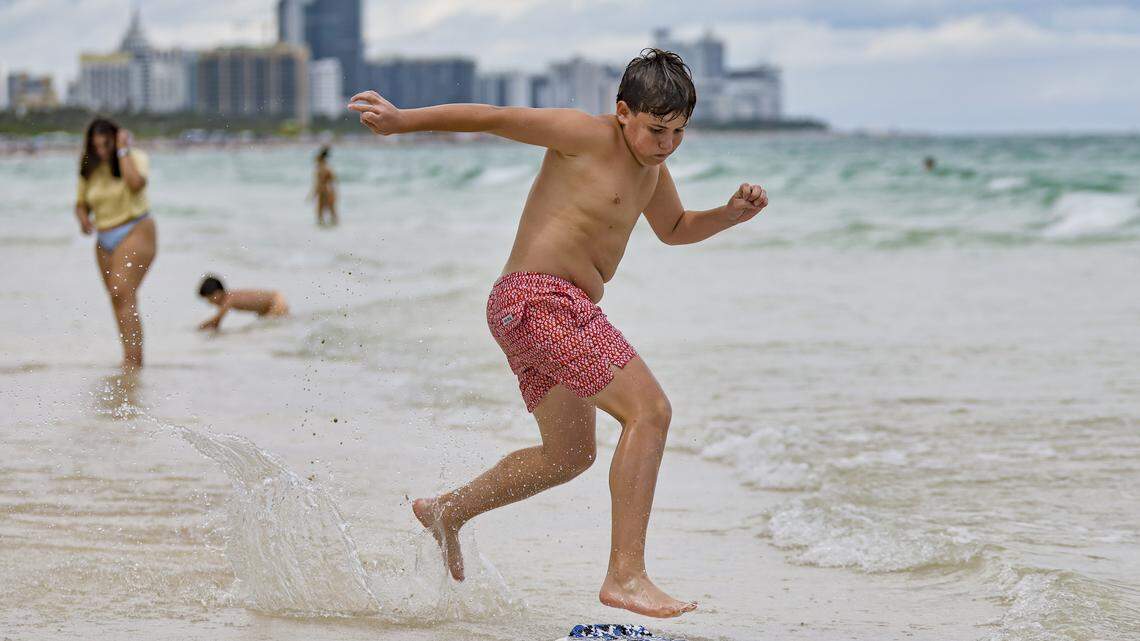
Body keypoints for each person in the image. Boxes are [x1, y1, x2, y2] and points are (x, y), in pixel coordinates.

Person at [348, 48, 768, 619]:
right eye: (654, 129)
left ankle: (448, 511)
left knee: (569, 456)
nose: (665, 143)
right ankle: (626, 574)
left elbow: (674, 228)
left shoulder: (652, 172)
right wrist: (404, 120)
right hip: (537, 300)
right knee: (650, 412)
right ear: (622, 112)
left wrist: (728, 215)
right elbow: (493, 116)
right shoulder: (581, 134)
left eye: (678, 132)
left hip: (550, 312)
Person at [74, 118, 157, 370]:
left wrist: (122, 150)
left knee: (122, 291)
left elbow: (135, 184)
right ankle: (129, 357)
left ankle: (134, 361)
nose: (102, 150)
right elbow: (80, 203)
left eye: (106, 144)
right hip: (103, 239)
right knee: (118, 298)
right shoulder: (89, 168)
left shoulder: (134, 157)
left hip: (135, 229)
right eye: (96, 146)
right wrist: (83, 220)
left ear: (116, 139)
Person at [197, 276, 289, 331]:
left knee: (271, 329)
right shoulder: (231, 297)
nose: (210, 303)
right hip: (271, 304)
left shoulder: (228, 299)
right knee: (273, 327)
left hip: (276, 301)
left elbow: (216, 322)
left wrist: (198, 329)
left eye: (210, 299)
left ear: (218, 293)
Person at [311, 146, 338, 225]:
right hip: (329, 190)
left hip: (324, 191)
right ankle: (335, 229)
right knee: (332, 211)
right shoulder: (328, 167)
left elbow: (320, 183)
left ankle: (323, 230)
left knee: (321, 212)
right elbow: (334, 180)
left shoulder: (322, 168)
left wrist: (313, 194)